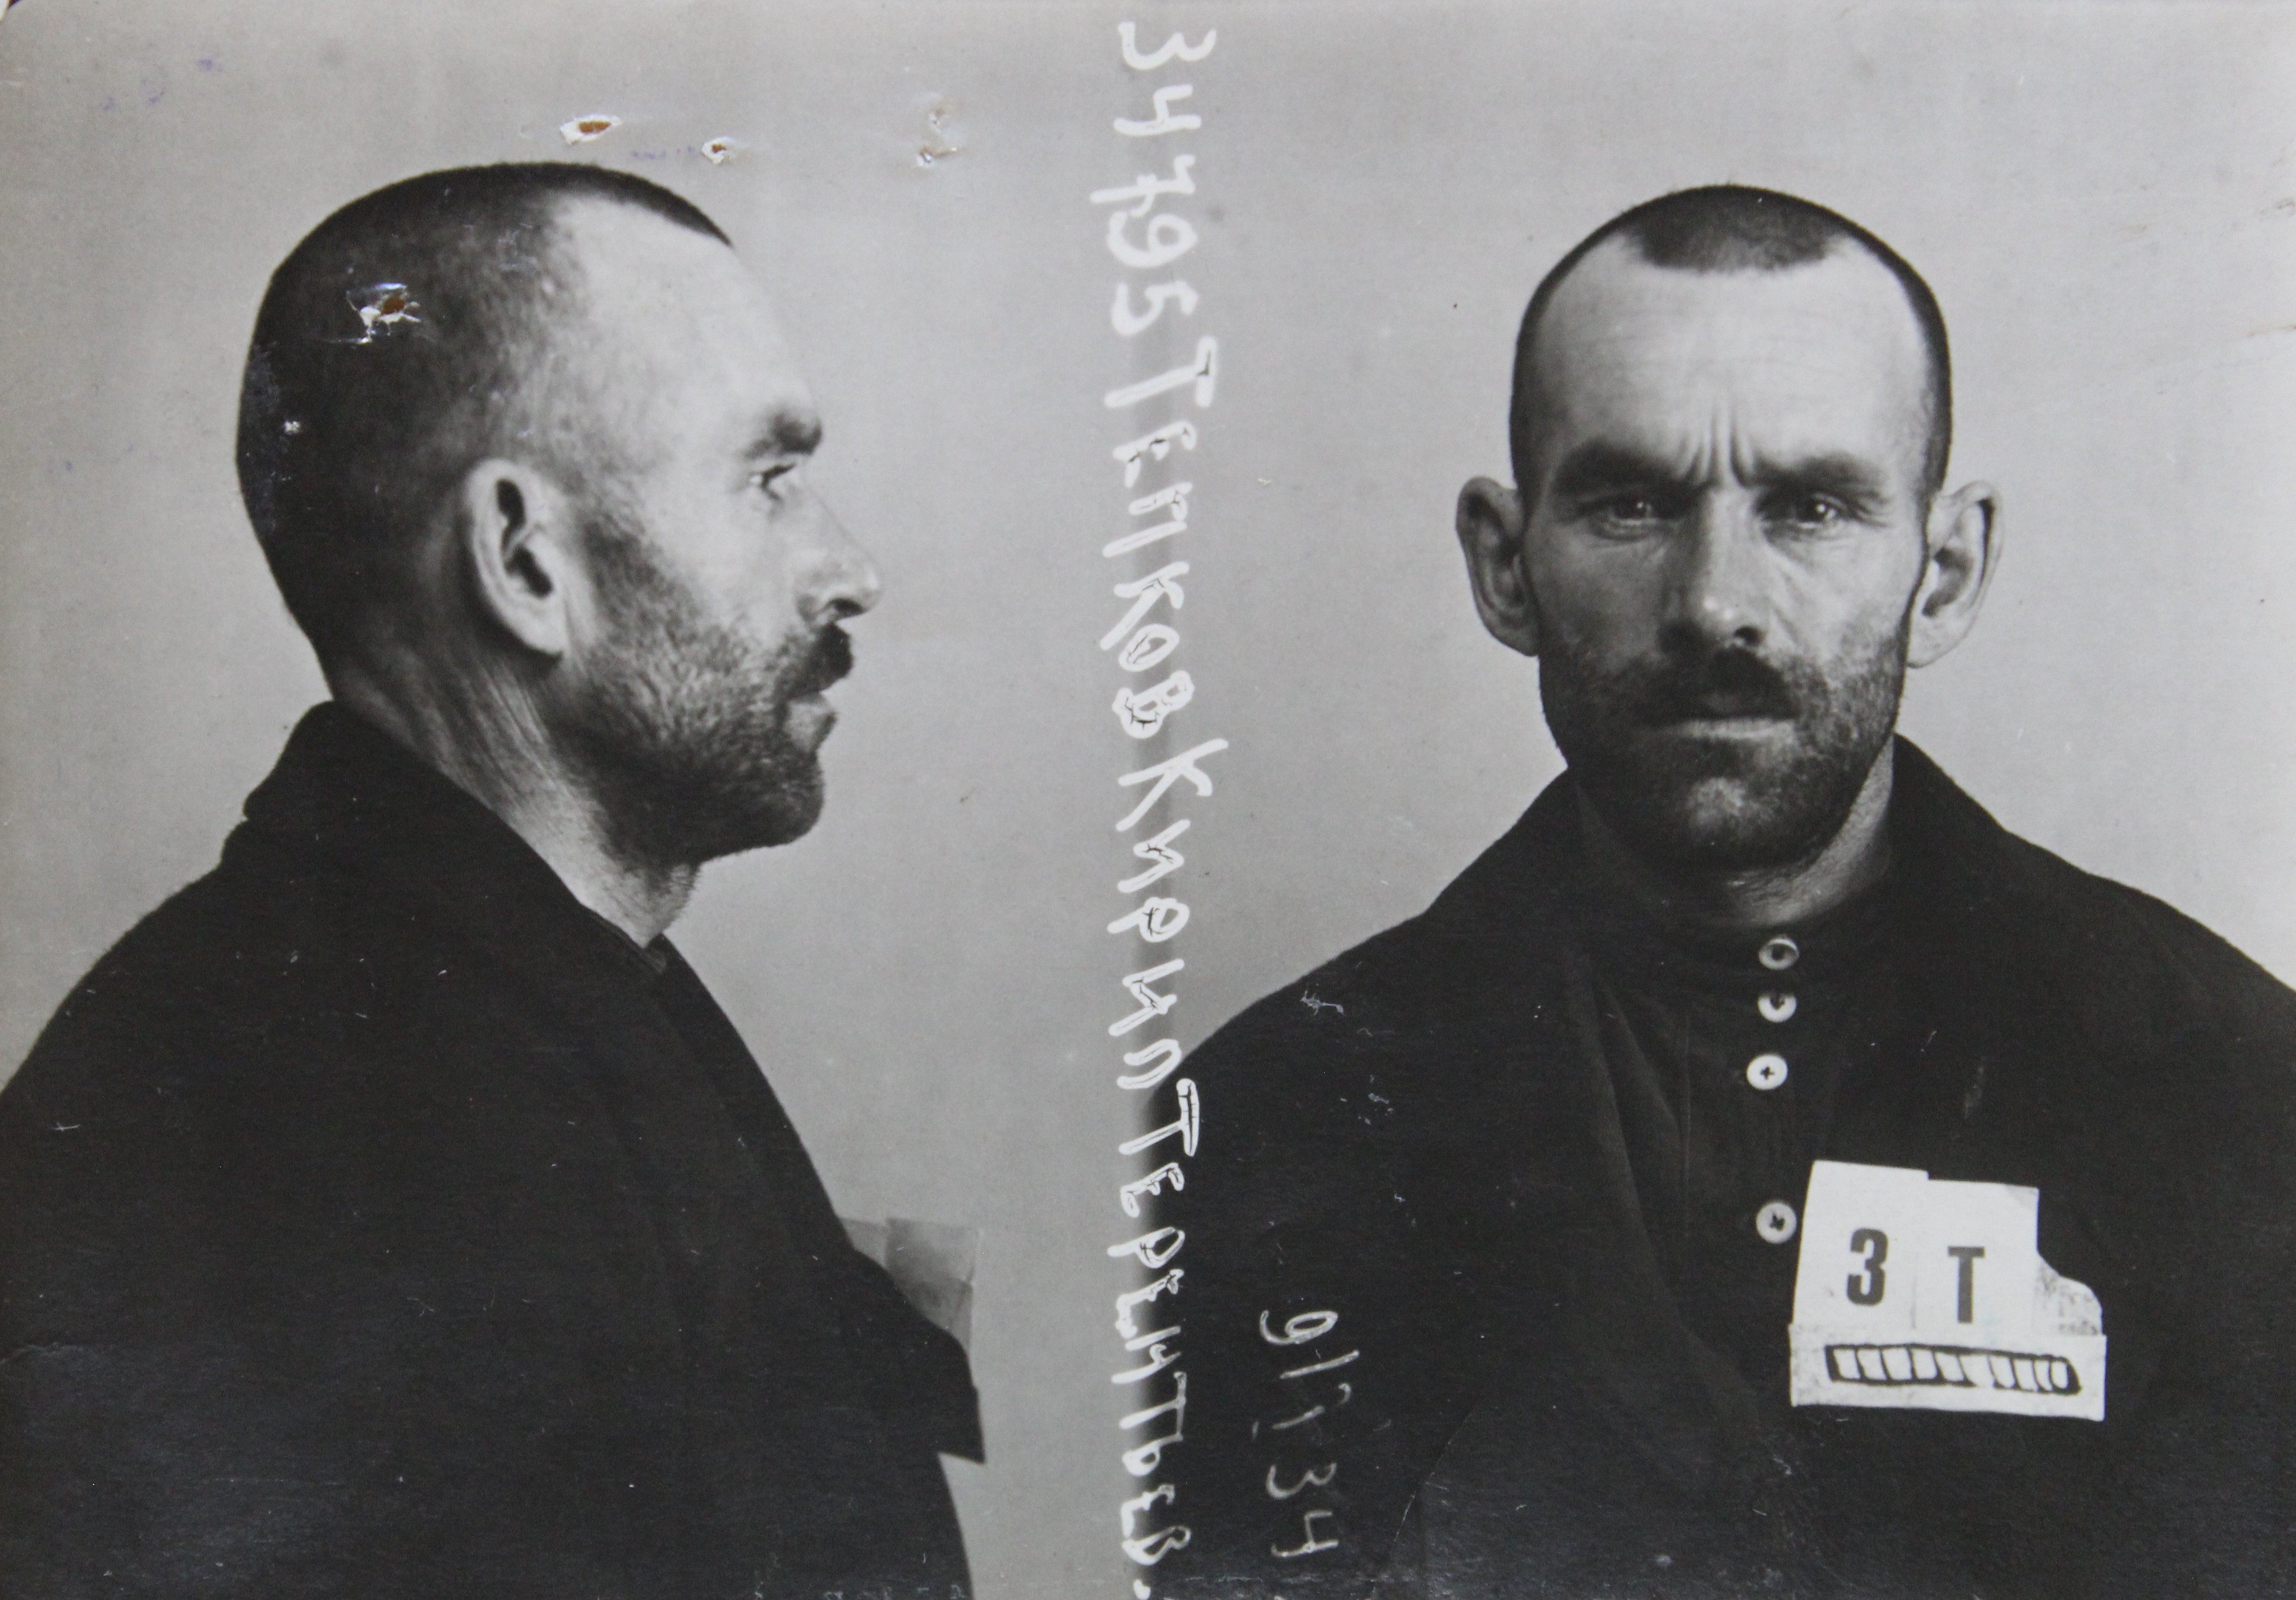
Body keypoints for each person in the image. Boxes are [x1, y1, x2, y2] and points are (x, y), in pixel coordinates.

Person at [1156, 186, 2296, 1598]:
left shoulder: (2235, 1095)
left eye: (1810, 508)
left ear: (1945, 573)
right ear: (1505, 567)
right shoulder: (1263, 1128)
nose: (1713, 603)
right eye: (1630, 505)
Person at [0, 164, 980, 1599]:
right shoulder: (338, 1143)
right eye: (769, 480)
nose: (850, 571)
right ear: (525, 559)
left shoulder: (452, 1013)